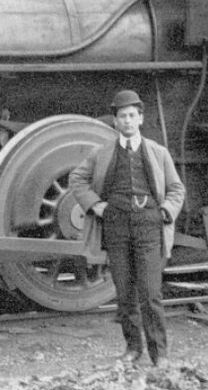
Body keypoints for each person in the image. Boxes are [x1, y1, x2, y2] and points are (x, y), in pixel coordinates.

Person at [68, 89, 186, 367]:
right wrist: (96, 206)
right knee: (124, 293)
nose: (128, 121)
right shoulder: (102, 153)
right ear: (115, 121)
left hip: (149, 226)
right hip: (116, 226)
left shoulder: (158, 152)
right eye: (123, 116)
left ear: (141, 119)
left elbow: (176, 188)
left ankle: (160, 354)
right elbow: (77, 179)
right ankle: (133, 348)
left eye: (133, 115)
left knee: (150, 293)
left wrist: (165, 212)